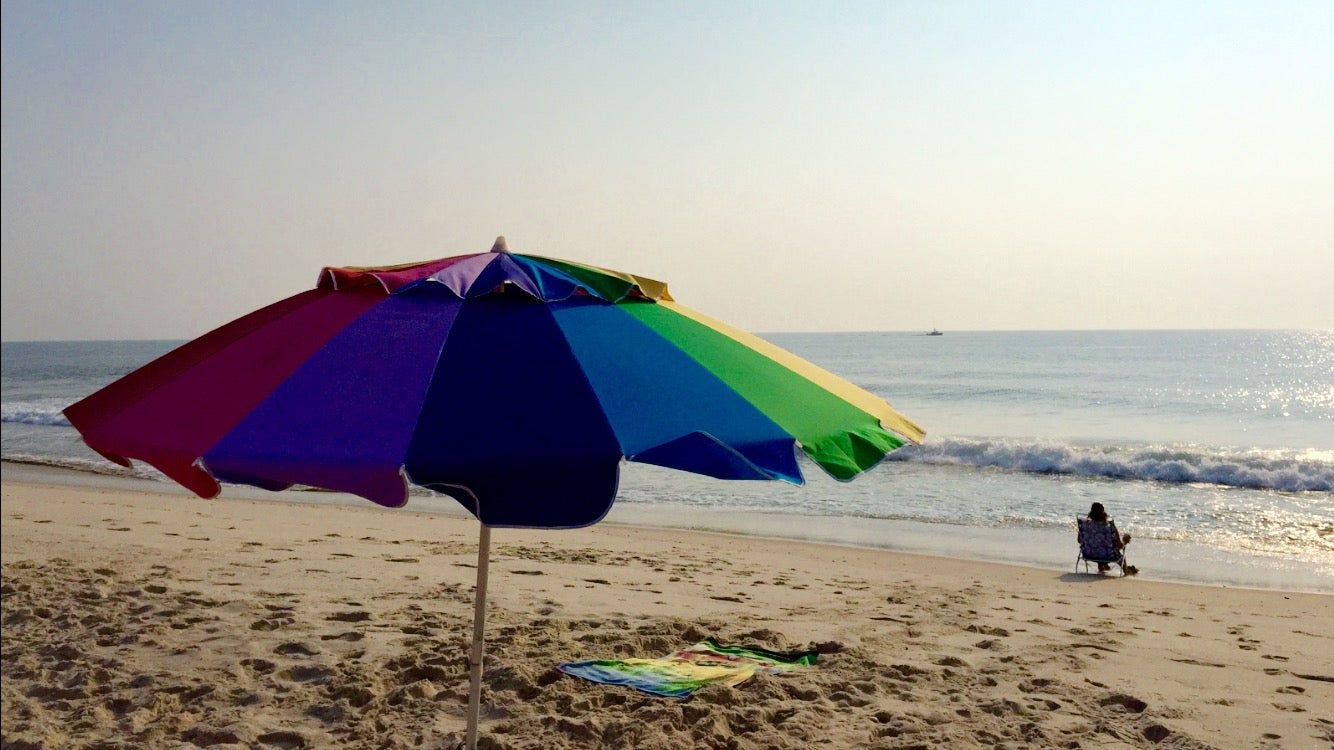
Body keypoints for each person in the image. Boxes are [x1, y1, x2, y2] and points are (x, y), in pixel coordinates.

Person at [1079, 502, 1137, 575]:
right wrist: (1125, 542)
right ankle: (1126, 570)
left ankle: (1102, 565)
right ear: (1103, 512)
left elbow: (1079, 540)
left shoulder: (1085, 525)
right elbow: (1119, 545)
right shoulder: (1109, 526)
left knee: (1097, 545)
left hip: (1089, 554)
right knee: (1112, 551)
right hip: (1108, 556)